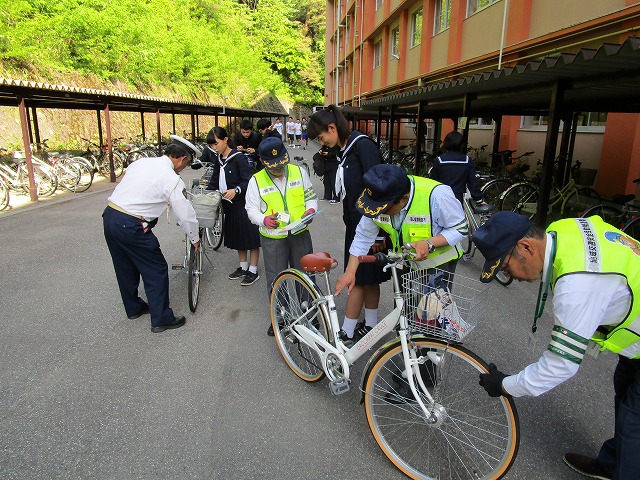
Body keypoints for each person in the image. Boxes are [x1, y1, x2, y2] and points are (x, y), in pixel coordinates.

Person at [473, 211, 640, 480]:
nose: (509, 276)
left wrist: (505, 385)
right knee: (626, 401)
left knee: (635, 425)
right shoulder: (562, 230)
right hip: (634, 343)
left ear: (526, 247)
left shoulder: (579, 283)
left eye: (505, 267)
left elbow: (561, 365)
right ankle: (612, 464)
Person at [307, 104, 391, 343]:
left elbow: (379, 187)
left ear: (332, 128)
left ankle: (348, 330)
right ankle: (372, 325)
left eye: (322, 137)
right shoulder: (343, 149)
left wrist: (378, 235)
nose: (322, 142)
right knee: (369, 276)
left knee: (357, 276)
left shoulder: (362, 146)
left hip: (369, 222)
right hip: (356, 221)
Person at [102, 135, 199, 333]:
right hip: (131, 224)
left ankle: (134, 307)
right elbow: (184, 213)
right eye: (187, 163)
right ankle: (162, 318)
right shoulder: (171, 179)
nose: (184, 167)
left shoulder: (141, 162)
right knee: (156, 269)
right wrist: (194, 238)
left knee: (124, 266)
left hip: (110, 215)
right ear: (182, 159)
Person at [335, 163, 467, 300]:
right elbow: (363, 237)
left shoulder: (437, 195)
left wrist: (429, 243)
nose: (377, 213)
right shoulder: (378, 197)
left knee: (430, 316)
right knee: (403, 311)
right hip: (403, 262)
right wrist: (349, 272)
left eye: (383, 209)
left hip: (436, 265)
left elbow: (460, 227)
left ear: (403, 199)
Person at [245, 137, 318, 336]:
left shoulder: (298, 171)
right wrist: (263, 220)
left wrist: (311, 211)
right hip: (273, 237)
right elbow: (251, 209)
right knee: (276, 279)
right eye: (274, 167)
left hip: (300, 233)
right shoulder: (256, 180)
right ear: (262, 161)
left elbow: (311, 198)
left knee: (305, 275)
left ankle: (310, 315)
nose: (279, 170)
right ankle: (280, 318)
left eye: (282, 165)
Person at [205, 126, 261, 286]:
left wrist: (236, 190)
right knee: (237, 235)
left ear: (225, 140)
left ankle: (253, 270)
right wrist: (208, 194)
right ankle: (243, 267)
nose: (213, 147)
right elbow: (214, 180)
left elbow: (249, 179)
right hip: (229, 204)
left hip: (243, 203)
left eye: (215, 143)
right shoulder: (218, 159)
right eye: (211, 145)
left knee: (250, 237)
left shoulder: (239, 157)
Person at [429, 130, 485, 205]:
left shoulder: (439, 160)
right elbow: (472, 182)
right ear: (461, 144)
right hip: (457, 198)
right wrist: (479, 199)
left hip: (441, 198)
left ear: (446, 144)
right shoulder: (467, 160)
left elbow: (433, 181)